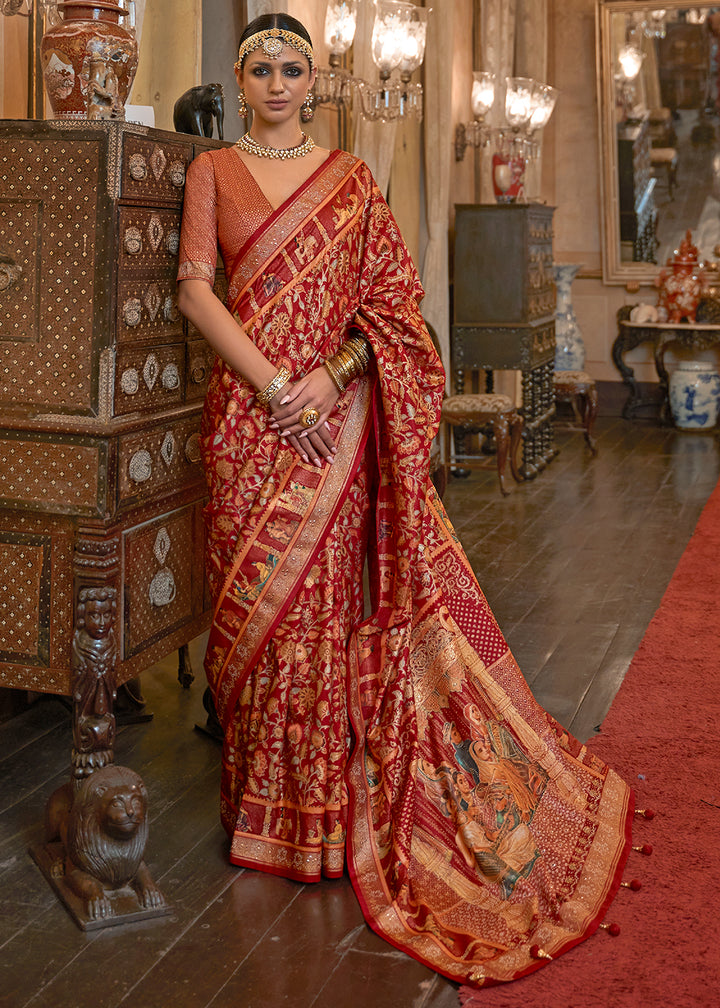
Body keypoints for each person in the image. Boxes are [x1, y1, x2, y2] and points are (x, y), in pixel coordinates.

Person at [176, 12, 635, 988]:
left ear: (315, 77)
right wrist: (272, 386)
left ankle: (322, 817)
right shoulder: (211, 169)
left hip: (333, 426)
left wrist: (332, 381)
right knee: (252, 617)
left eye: (292, 65)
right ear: (238, 75)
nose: (276, 79)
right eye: (259, 65)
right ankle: (261, 811)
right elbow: (193, 291)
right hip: (249, 426)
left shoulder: (350, 179)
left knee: (325, 607)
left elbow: (394, 308)